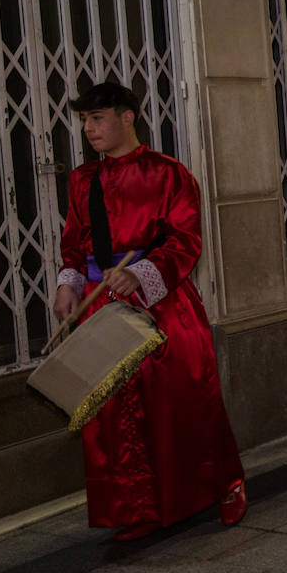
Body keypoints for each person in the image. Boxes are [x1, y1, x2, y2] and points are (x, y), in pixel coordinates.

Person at [52, 82, 246, 541]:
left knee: (184, 401)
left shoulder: (169, 174)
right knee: (114, 410)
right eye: (84, 120)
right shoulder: (83, 180)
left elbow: (186, 241)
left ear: (127, 118)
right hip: (102, 304)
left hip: (165, 303)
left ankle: (225, 484)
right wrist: (68, 285)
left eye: (97, 118)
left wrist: (142, 273)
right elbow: (75, 245)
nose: (88, 129)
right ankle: (138, 507)